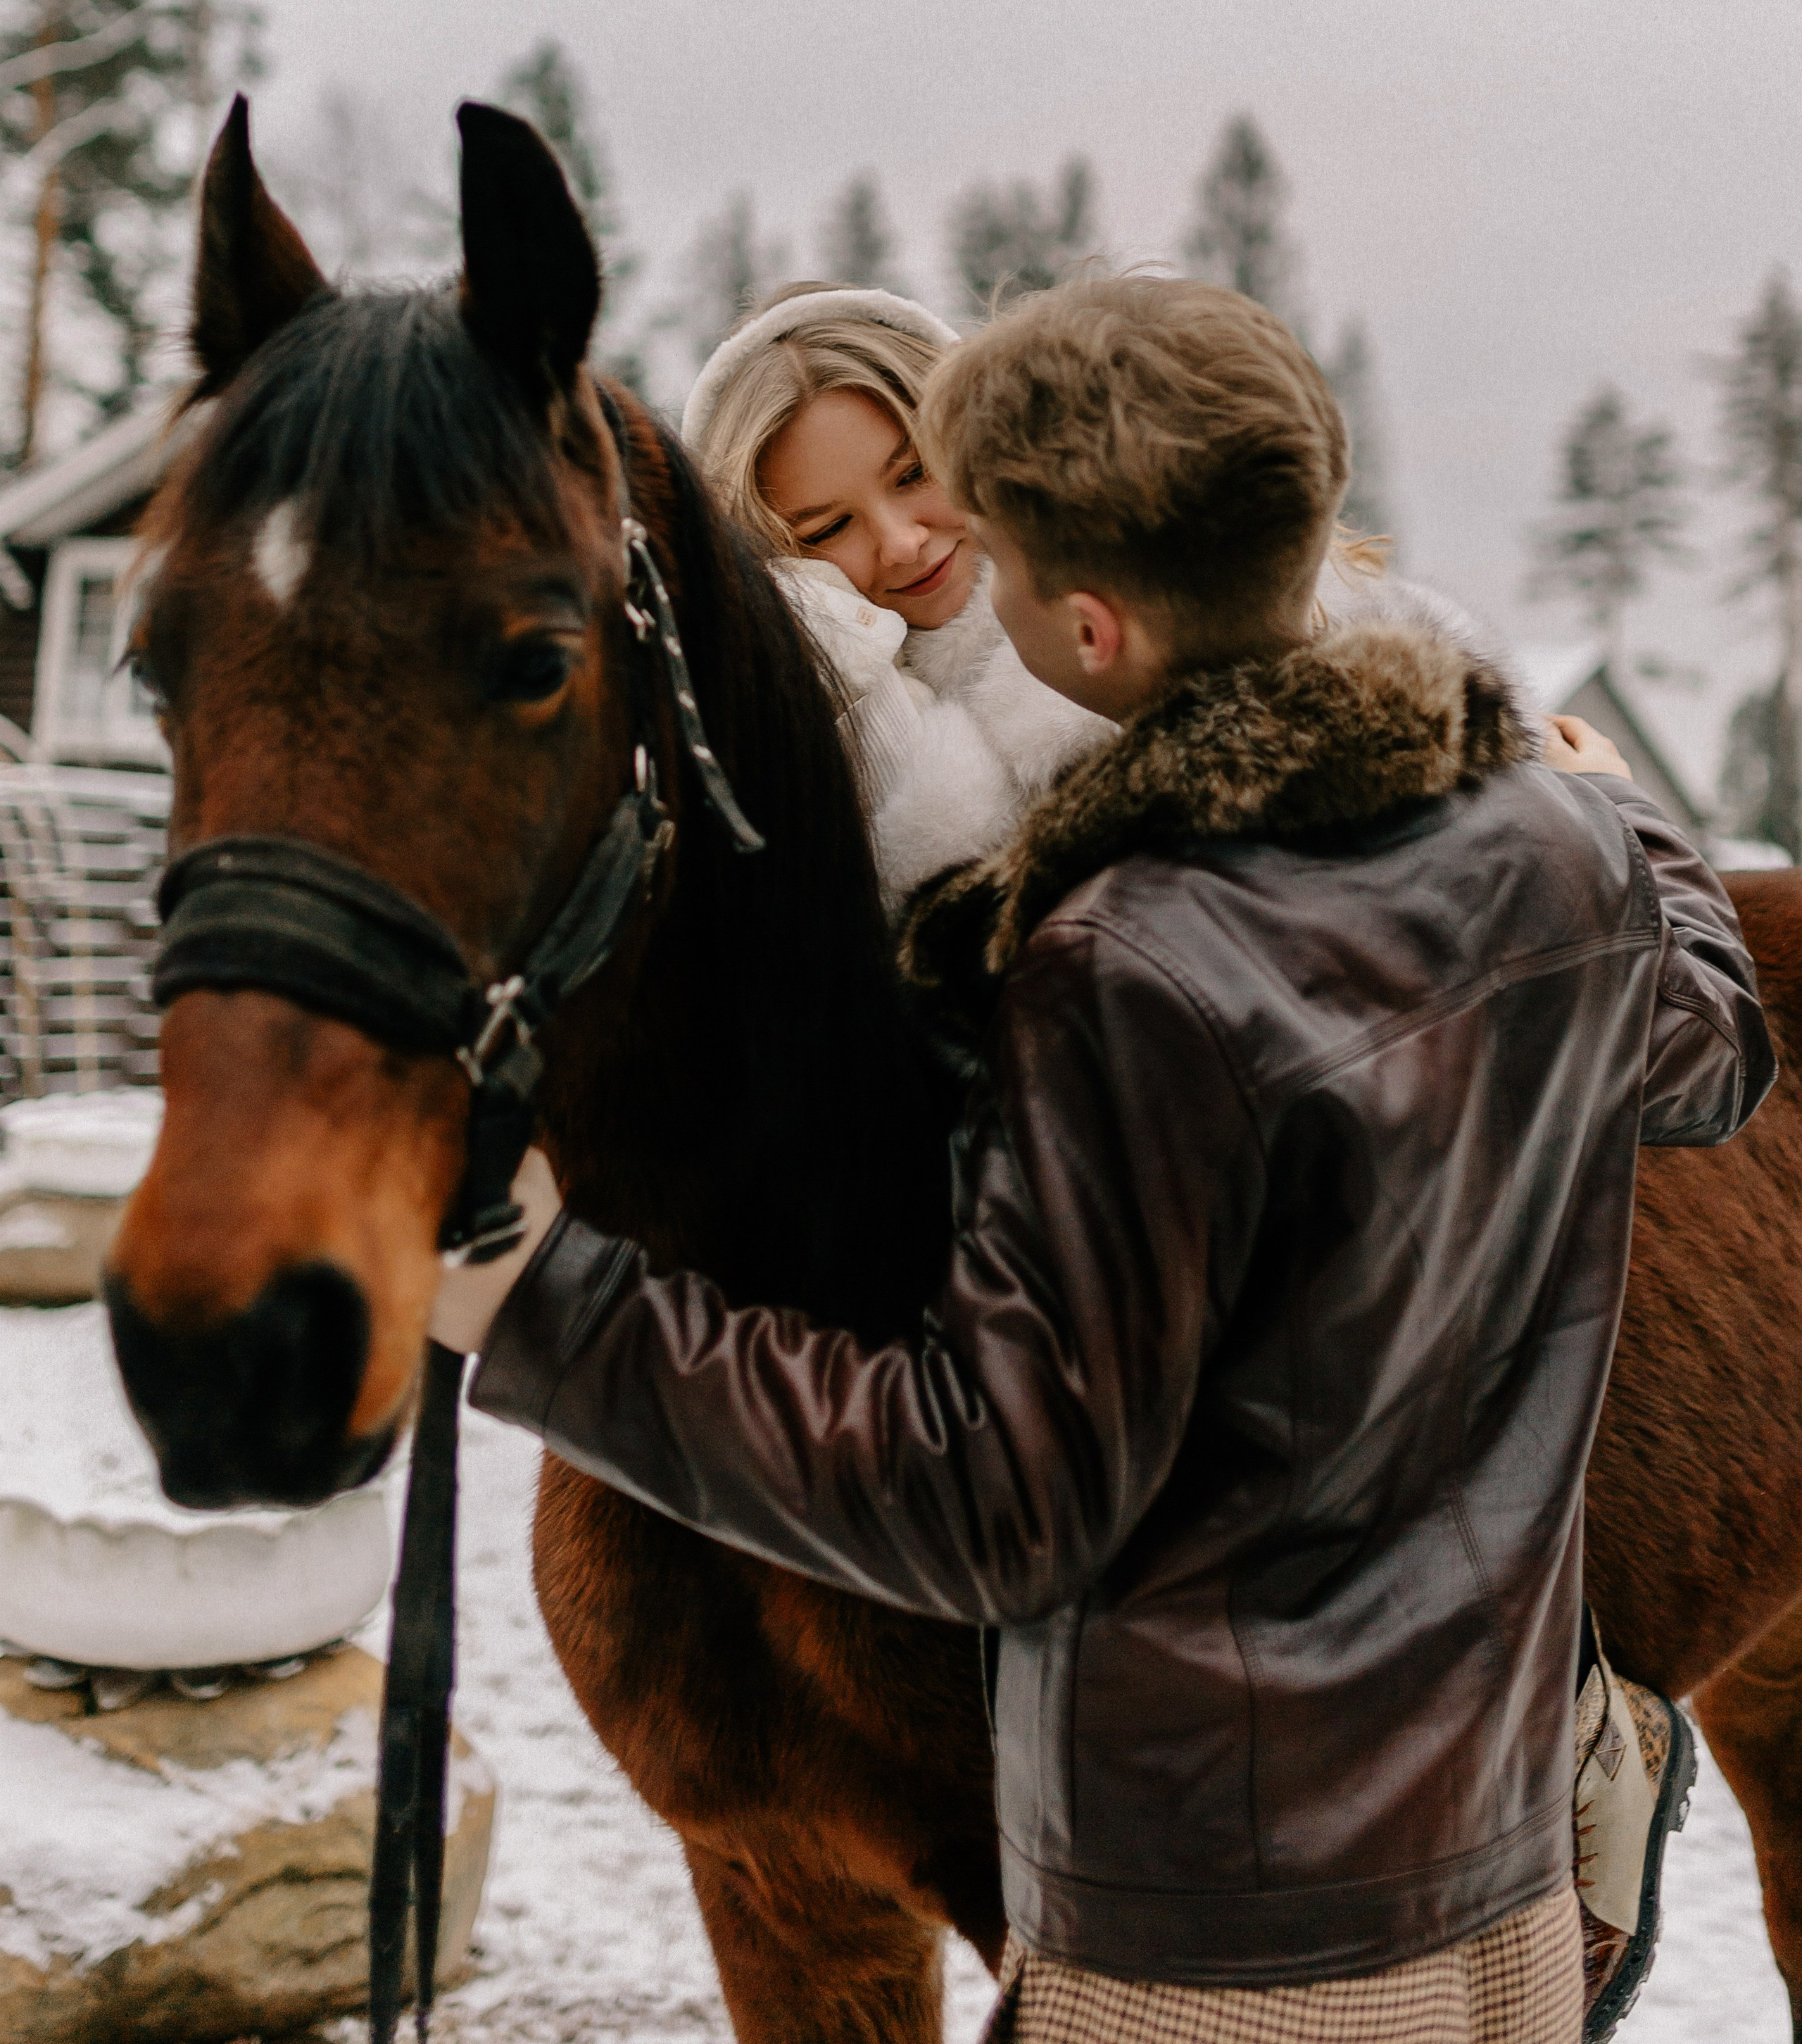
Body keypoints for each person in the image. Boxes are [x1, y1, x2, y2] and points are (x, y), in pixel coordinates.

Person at [439, 275, 1772, 2043]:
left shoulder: (1110, 956)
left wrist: (545, 1314)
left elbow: (1002, 1492)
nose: (910, 553)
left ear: (1071, 608)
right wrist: (1620, 819)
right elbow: (1707, 1041)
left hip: (1219, 1907)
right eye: (819, 532)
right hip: (1481, 1843)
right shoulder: (1533, 840)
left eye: (943, 507)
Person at [681, 282, 1111, 907]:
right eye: (827, 529)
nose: (902, 543)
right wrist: (852, 689)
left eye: (913, 474)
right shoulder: (761, 769)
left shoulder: (1138, 626)